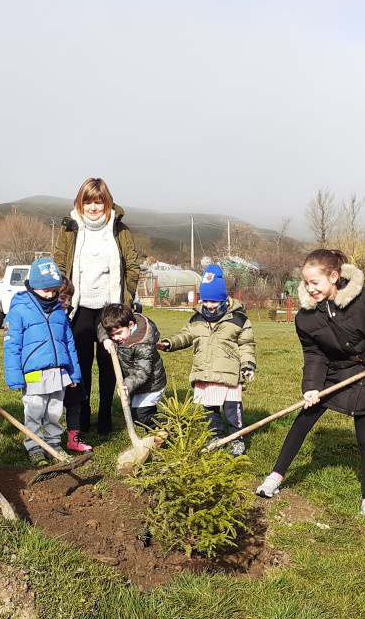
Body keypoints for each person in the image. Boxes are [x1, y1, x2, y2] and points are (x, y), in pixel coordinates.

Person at [255, 249, 365, 519]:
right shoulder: (305, 318)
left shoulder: (363, 298)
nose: (310, 289)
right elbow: (314, 355)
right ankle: (275, 477)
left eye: (315, 283)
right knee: (303, 420)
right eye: (306, 283)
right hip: (334, 372)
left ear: (334, 277)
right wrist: (311, 387)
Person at [51, 177, 141, 452]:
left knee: (108, 363)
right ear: (81, 203)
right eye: (88, 201)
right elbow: (58, 263)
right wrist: (62, 298)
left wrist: (124, 303)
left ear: (107, 203)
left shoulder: (119, 229)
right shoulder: (70, 228)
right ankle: (83, 416)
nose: (93, 207)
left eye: (98, 201)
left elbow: (133, 265)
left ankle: (105, 414)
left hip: (108, 307)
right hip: (78, 307)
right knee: (80, 365)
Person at [157, 265, 256, 454]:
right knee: (209, 411)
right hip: (205, 372)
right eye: (206, 300)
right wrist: (169, 343)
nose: (209, 305)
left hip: (230, 375)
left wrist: (248, 365)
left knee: (232, 411)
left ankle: (237, 439)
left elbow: (247, 344)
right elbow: (185, 335)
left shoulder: (238, 319)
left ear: (223, 298)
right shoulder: (197, 318)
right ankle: (215, 437)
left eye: (214, 300)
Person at [2, 258, 81, 466]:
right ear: (33, 286)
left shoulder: (58, 311)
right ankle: (35, 446)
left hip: (59, 372)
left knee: (55, 411)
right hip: (34, 374)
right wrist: (14, 376)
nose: (50, 295)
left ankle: (54, 444)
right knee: (35, 411)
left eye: (54, 290)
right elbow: (12, 345)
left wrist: (74, 372)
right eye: (45, 290)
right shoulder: (19, 310)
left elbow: (68, 342)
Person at [99, 302, 166, 428]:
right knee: (140, 413)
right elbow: (101, 327)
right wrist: (105, 339)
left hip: (151, 384)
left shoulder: (142, 344)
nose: (115, 338)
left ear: (130, 325)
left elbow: (142, 371)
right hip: (134, 383)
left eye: (118, 333)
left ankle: (172, 424)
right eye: (112, 334)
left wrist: (127, 385)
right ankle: (157, 437)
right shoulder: (120, 327)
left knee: (140, 416)